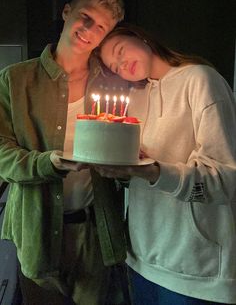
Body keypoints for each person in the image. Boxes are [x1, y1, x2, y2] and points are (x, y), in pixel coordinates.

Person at [0, 0, 131, 305]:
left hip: (95, 232)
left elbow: (126, 155)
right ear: (67, 11)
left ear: (106, 35)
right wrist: (49, 163)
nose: (89, 29)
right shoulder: (14, 80)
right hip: (36, 229)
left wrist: (127, 167)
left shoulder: (115, 84)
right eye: (85, 16)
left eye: (100, 26)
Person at [93, 23, 236, 305]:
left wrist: (155, 172)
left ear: (142, 38)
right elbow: (137, 173)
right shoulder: (134, 98)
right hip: (141, 260)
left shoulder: (200, 79)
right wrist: (121, 170)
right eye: (114, 67)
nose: (121, 65)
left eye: (119, 51)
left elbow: (224, 181)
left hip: (195, 270)